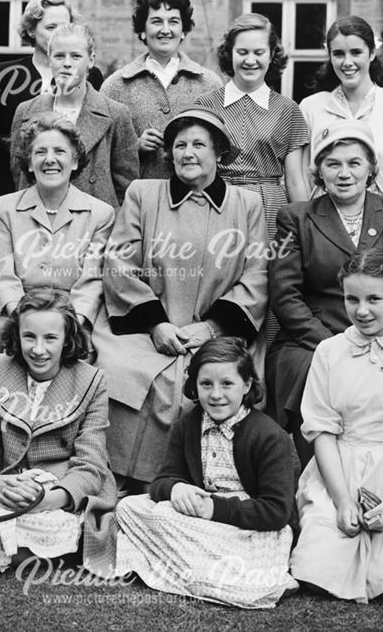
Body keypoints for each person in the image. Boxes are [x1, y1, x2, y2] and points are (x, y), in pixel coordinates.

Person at [96, 106, 268, 493]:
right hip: (145, 330)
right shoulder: (144, 194)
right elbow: (120, 263)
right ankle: (117, 481)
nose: (188, 153)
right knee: (119, 368)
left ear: (219, 153)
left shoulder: (247, 205)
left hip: (219, 331)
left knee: (213, 379)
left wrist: (210, 327)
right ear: (169, 153)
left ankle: (197, 484)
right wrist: (156, 324)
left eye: (198, 145)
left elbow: (257, 275)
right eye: (180, 145)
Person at [266, 119, 383, 463]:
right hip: (313, 338)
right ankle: (320, 481)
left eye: (354, 163)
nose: (344, 173)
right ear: (319, 171)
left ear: (371, 168)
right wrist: (333, 345)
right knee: (310, 369)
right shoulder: (295, 218)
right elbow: (285, 295)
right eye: (333, 164)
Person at [88, 337, 297, 608]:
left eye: (227, 384)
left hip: (247, 529)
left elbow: (276, 511)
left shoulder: (269, 436)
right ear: (194, 387)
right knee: (129, 506)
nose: (216, 394)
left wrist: (214, 510)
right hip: (196, 522)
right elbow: (162, 481)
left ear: (246, 385)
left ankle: (205, 572)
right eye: (206, 384)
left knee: (256, 562)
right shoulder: (188, 425)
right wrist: (176, 488)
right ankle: (203, 572)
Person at [290, 249, 383, 603]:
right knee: (318, 576)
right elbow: (322, 432)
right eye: (351, 299)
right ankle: (333, 528)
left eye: (374, 299)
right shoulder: (329, 351)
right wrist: (343, 501)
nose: (361, 310)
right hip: (341, 469)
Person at [0, 288, 113, 569]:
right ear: (16, 335)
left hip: (60, 489)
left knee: (57, 528)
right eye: (29, 336)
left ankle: (38, 549)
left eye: (51, 338)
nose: (38, 349)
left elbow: (91, 464)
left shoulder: (92, 381)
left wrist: (47, 501)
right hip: (10, 484)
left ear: (67, 339)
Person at [0, 112, 114, 350]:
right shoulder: (5, 209)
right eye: (40, 152)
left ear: (75, 161)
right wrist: (24, 320)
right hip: (15, 316)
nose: (50, 159)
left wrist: (68, 325)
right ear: (29, 163)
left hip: (75, 319)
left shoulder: (100, 214)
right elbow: (0, 275)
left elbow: (91, 281)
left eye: (60, 151)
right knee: (3, 369)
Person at [194, 12, 310, 239]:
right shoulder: (205, 105)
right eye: (242, 52)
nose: (250, 60)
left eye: (259, 53)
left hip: (270, 206)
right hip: (216, 200)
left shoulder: (288, 110)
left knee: (267, 270)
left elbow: (296, 180)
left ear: (272, 55)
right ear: (230, 54)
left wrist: (307, 231)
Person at [10, 23, 138, 209]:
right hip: (39, 219)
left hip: (95, 224)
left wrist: (111, 223)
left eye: (76, 56)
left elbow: (126, 184)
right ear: (49, 59)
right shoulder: (27, 111)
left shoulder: (115, 113)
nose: (67, 63)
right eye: (59, 56)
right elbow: (19, 174)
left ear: (91, 60)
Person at [0, 0, 104, 198]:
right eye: (51, 27)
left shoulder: (90, 74)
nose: (58, 33)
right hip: (21, 180)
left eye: (65, 26)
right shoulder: (7, 74)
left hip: (81, 185)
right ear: (31, 31)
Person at [300, 15, 383, 205]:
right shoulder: (311, 107)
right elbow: (302, 177)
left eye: (356, 52)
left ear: (372, 53)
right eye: (339, 54)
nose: (347, 62)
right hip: (323, 223)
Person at [102, 0, 223, 180]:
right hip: (138, 200)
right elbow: (102, 153)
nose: (165, 30)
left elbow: (220, 147)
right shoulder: (115, 86)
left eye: (173, 22)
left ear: (183, 30)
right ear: (142, 31)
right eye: (157, 22)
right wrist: (136, 146)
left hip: (196, 199)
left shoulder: (209, 83)